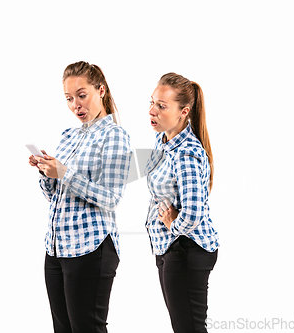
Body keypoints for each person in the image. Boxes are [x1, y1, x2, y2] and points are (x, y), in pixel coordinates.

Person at [28, 61, 131, 333]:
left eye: (82, 95)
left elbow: (111, 197)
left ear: (101, 90)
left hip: (91, 248)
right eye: (69, 99)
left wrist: (65, 173)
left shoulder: (115, 136)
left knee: (87, 328)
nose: (76, 105)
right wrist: (47, 171)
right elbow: (53, 195)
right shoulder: (68, 136)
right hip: (56, 248)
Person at [145, 72, 220, 333]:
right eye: (152, 102)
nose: (152, 110)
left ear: (184, 111)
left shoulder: (186, 153)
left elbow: (193, 214)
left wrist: (172, 225)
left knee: (189, 329)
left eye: (161, 106)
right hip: (170, 247)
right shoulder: (163, 140)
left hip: (186, 248)